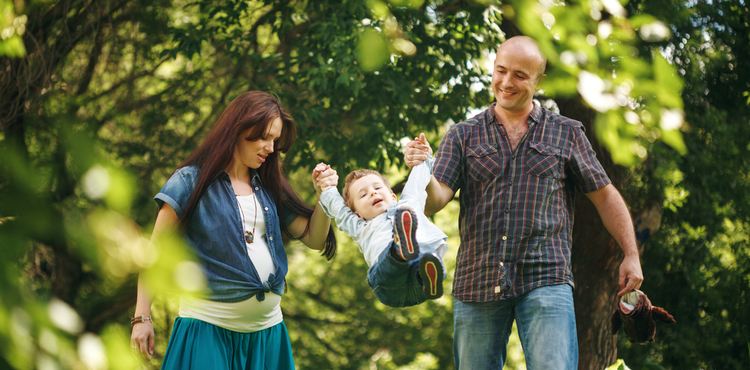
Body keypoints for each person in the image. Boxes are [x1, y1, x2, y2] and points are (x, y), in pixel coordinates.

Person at [404, 36, 644, 369]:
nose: (506, 82)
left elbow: (605, 196)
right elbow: (435, 200)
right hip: (478, 280)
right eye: (501, 71)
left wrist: (630, 254)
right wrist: (422, 169)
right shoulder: (463, 134)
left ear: (539, 81)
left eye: (520, 75)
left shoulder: (566, 132)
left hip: (546, 276)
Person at [130, 91, 338, 369]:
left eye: (275, 140)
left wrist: (324, 196)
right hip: (208, 330)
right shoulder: (189, 181)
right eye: (264, 137)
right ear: (238, 129)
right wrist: (142, 317)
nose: (271, 148)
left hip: (267, 336)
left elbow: (314, 238)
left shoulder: (269, 185)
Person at [314, 156, 448, 307]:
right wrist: (327, 187)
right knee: (391, 260)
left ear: (392, 195)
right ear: (357, 214)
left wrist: (424, 157)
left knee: (423, 250)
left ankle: (425, 272)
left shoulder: (408, 204)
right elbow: (338, 208)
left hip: (421, 282)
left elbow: (417, 181)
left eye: (377, 188)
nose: (372, 193)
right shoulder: (360, 227)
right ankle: (399, 249)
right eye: (363, 195)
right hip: (391, 286)